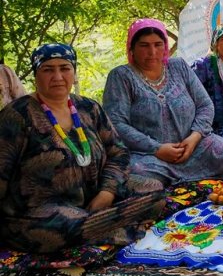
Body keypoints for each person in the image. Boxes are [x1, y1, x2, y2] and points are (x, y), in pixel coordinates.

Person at [0, 44, 164, 253]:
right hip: (42, 210)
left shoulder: (89, 107)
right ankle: (104, 226)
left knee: (154, 191)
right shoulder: (16, 115)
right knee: (63, 227)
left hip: (96, 195)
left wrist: (107, 192)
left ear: (74, 72)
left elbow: (118, 152)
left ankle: (95, 226)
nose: (58, 76)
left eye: (65, 68)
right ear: (36, 75)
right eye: (48, 70)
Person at [103, 19, 223, 185]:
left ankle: (171, 181)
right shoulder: (121, 76)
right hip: (149, 156)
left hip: (194, 147)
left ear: (165, 46)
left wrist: (194, 138)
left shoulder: (179, 67)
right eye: (144, 45)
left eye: (158, 44)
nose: (152, 51)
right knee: (135, 172)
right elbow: (117, 124)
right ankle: (173, 179)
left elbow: (205, 105)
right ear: (131, 48)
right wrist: (157, 149)